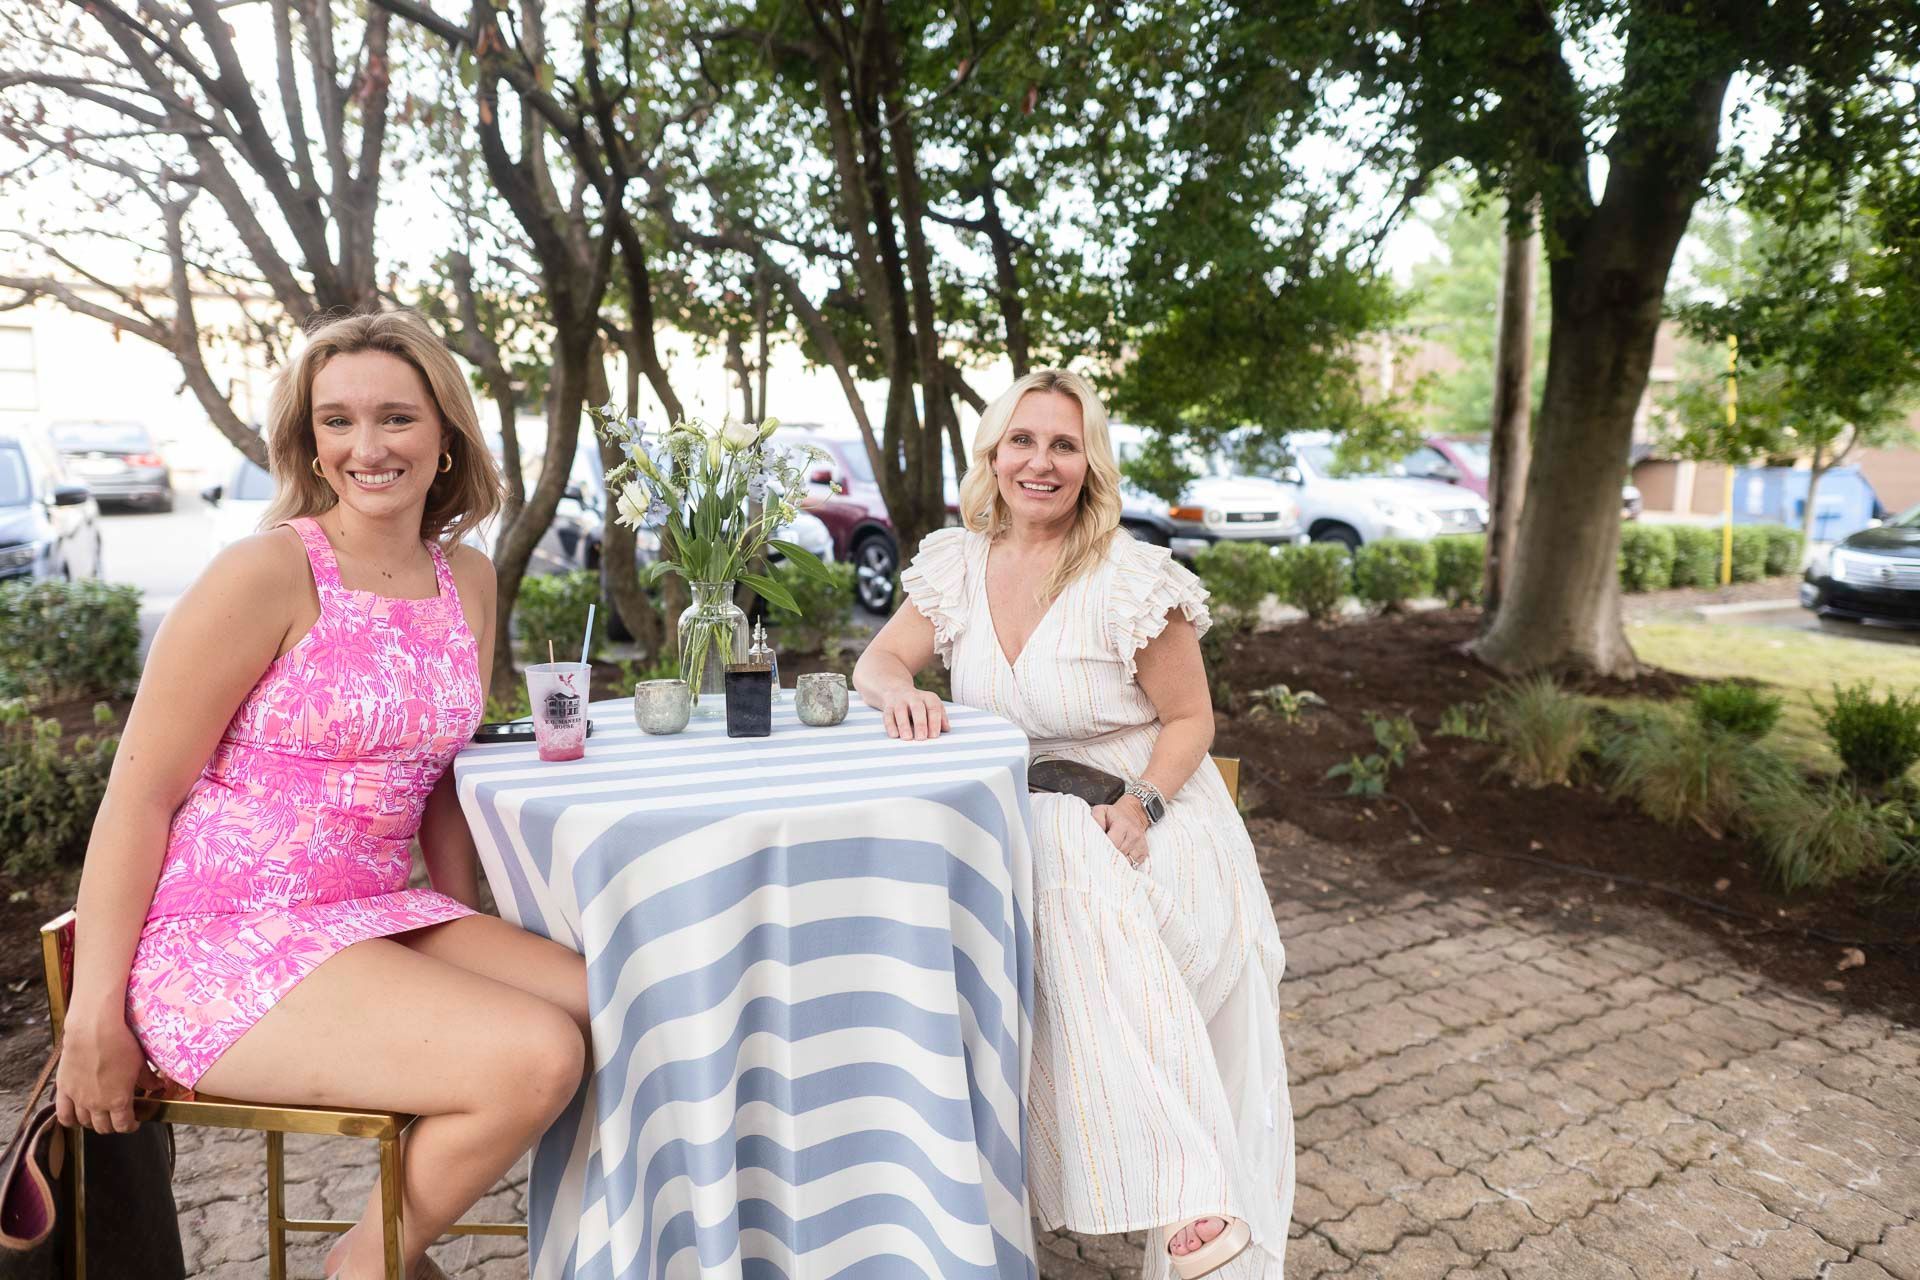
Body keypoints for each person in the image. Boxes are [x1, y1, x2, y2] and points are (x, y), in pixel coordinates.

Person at [54, 311, 590, 1280]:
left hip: (378, 906)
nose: (367, 447)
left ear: (447, 435)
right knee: (535, 1052)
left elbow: (437, 775)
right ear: (307, 442)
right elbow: (137, 797)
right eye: (336, 422)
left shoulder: (464, 573)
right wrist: (94, 1010)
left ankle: (423, 1247)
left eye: (396, 418)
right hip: (224, 933)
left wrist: (468, 915)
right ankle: (367, 1264)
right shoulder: (266, 570)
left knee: (623, 1001)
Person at [853, 370, 1294, 1279]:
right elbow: (880, 660)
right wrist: (900, 690)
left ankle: (1186, 1185)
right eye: (1023, 441)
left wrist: (1141, 806)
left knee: (1059, 845)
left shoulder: (1134, 579)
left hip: (1155, 822)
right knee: (987, 859)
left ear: (1091, 464)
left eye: (1064, 445)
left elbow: (1192, 724)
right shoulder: (956, 565)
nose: (1040, 463)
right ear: (993, 455)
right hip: (1038, 830)